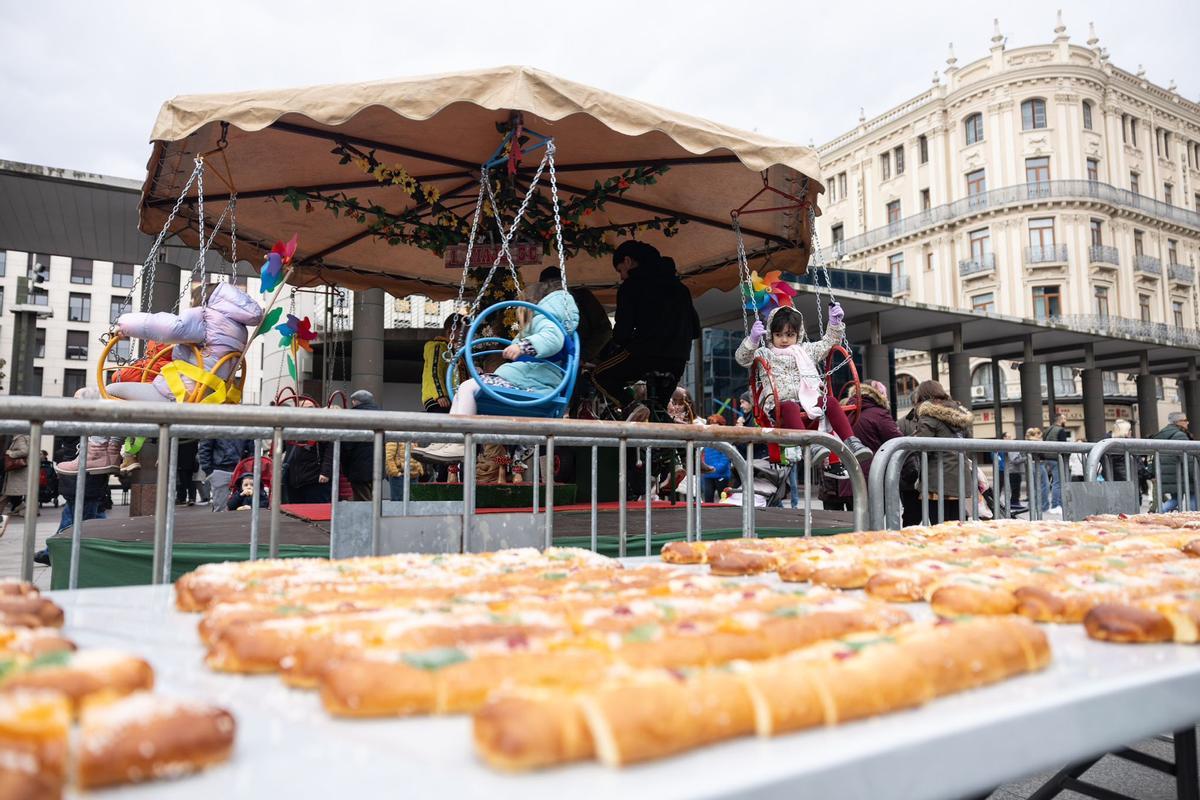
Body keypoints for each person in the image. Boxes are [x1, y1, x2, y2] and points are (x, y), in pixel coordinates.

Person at [55, 282, 264, 475]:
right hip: (201, 399)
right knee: (120, 400)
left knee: (109, 392)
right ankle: (110, 452)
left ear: (204, 299)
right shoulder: (237, 330)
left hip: (177, 396)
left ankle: (97, 452)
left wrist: (124, 325)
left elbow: (170, 327)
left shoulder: (207, 317)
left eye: (193, 301)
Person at [414, 280, 580, 463]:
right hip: (529, 382)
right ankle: (448, 440)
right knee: (465, 389)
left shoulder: (545, 321)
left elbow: (552, 339)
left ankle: (458, 443)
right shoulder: (552, 322)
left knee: (468, 387)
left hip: (530, 386)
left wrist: (522, 347)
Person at [734, 304, 871, 481]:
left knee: (830, 401)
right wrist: (752, 340)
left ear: (798, 334)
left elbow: (828, 343)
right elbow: (743, 359)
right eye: (779, 335)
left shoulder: (806, 351)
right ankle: (810, 446)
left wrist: (835, 323)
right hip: (779, 407)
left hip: (807, 401)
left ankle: (851, 442)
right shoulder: (765, 354)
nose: (784, 340)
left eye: (790, 335)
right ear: (771, 335)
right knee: (790, 406)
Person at [593, 241, 699, 418]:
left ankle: (631, 405)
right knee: (659, 411)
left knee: (600, 375)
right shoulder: (681, 288)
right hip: (678, 359)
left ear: (627, 261)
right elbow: (695, 330)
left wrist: (614, 349)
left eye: (620, 270)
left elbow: (622, 332)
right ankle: (662, 428)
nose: (622, 277)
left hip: (645, 353)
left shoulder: (631, 286)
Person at [905, 380, 974, 524]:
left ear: (922, 396)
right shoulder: (959, 414)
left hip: (937, 481)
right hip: (959, 477)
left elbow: (923, 446)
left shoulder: (929, 415)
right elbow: (968, 441)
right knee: (956, 523)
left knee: (939, 525)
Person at [835, 380, 905, 510]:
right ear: (878, 394)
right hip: (873, 479)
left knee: (857, 520)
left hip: (850, 479)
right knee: (874, 520)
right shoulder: (878, 413)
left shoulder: (846, 413)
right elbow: (899, 442)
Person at [538, 266, 612, 365]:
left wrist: (583, 356)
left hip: (587, 361)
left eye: (556, 284)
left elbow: (604, 329)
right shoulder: (542, 305)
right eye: (548, 286)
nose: (553, 289)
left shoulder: (581, 297)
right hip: (554, 362)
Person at [326, 390, 382, 501]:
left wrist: (345, 464)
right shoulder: (380, 414)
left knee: (362, 498)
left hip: (358, 466)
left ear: (356, 401)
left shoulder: (355, 415)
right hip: (377, 464)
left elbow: (348, 444)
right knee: (374, 498)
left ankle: (366, 513)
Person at [198, 436, 253, 513]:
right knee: (222, 508)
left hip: (238, 469)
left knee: (243, 506)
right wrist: (209, 471)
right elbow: (204, 448)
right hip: (221, 469)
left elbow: (251, 447)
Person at [1152, 411, 1191, 511]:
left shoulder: (1162, 433)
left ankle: (1158, 513)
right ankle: (1158, 513)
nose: (1188, 423)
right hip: (1180, 475)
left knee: (1176, 499)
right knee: (1192, 497)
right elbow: (1188, 459)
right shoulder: (1180, 435)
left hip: (1168, 474)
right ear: (1178, 422)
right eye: (1185, 420)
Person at [422, 314, 460, 414]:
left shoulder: (452, 350)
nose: (464, 335)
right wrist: (440, 394)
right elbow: (434, 370)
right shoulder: (438, 346)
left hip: (448, 398)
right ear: (450, 331)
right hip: (439, 399)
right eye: (461, 331)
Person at [1, 433, 31, 535]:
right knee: (11, 493)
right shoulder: (25, 437)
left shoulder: (20, 438)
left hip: (18, 473)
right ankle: (25, 509)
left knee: (7, 495)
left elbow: (24, 451)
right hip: (20, 473)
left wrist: (10, 453)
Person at [700, 415, 732, 503]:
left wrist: (713, 469)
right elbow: (703, 456)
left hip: (721, 475)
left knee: (724, 500)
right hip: (708, 475)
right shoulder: (706, 440)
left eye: (715, 425)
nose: (713, 428)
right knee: (708, 500)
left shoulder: (725, 440)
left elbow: (725, 458)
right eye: (711, 425)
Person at [1043, 412, 1070, 512]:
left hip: (1047, 458)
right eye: (1064, 419)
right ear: (1060, 420)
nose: (1065, 421)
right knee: (1058, 483)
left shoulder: (1048, 429)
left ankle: (1053, 505)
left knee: (1050, 482)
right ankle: (1056, 505)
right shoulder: (1061, 430)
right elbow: (1064, 447)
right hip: (1056, 458)